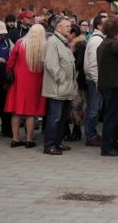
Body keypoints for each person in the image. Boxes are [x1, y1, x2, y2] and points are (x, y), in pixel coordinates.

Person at [4, 24, 46, 148]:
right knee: (31, 113)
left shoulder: (20, 43)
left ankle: (15, 139)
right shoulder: (44, 46)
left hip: (19, 80)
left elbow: (10, 61)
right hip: (36, 81)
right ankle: (29, 139)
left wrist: (9, 72)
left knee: (16, 112)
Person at [41, 18, 76, 155]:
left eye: (70, 26)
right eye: (67, 26)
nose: (69, 29)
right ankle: (49, 145)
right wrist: (61, 78)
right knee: (54, 118)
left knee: (62, 118)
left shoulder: (62, 42)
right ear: (59, 27)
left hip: (65, 88)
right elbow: (50, 64)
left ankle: (57, 143)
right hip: (58, 88)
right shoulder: (53, 42)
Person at [97, 16, 118, 157]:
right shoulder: (112, 44)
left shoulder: (107, 42)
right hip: (111, 85)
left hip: (110, 84)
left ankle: (113, 143)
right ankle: (107, 146)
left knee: (114, 116)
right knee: (111, 117)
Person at [82, 17, 106, 147]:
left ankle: (92, 133)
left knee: (95, 108)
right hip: (94, 80)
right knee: (93, 109)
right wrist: (98, 82)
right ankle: (90, 136)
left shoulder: (99, 39)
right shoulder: (96, 40)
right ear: (99, 26)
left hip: (96, 79)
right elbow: (92, 65)